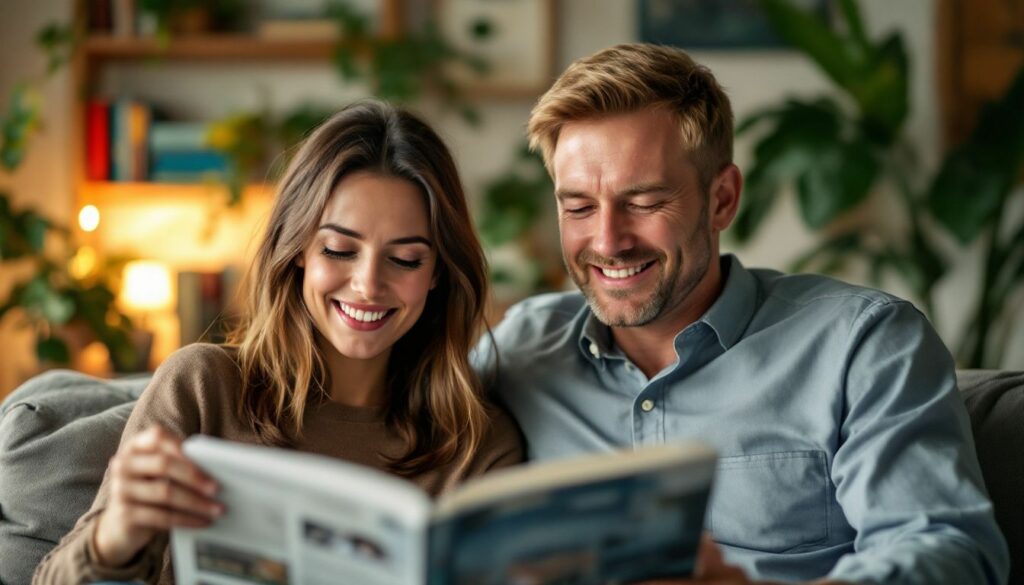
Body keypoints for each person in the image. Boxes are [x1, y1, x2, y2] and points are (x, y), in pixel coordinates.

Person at [474, 43, 1009, 584]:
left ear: (723, 199)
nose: (608, 241)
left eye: (644, 202)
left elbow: (952, 553)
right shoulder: (522, 346)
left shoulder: (862, 344)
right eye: (579, 207)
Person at [34, 101, 522, 584]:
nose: (368, 285)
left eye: (407, 259)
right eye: (338, 250)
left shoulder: (478, 448)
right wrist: (113, 538)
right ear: (298, 251)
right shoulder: (204, 390)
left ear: (438, 271)